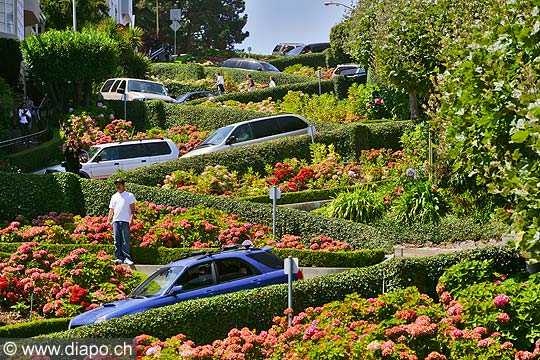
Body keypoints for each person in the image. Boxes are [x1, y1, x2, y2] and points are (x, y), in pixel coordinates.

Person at [108, 178, 137, 265]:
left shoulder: (129, 195)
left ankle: (127, 258)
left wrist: (131, 219)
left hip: (125, 220)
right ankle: (119, 258)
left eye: (119, 184)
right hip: (116, 221)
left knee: (125, 240)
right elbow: (111, 209)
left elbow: (132, 209)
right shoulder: (114, 196)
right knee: (117, 240)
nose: (118, 186)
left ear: (123, 185)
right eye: (117, 184)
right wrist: (109, 220)